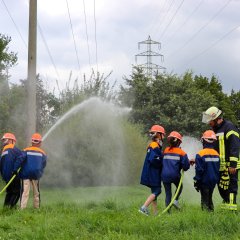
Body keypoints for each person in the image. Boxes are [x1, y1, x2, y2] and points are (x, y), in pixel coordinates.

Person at [202, 106, 240, 211]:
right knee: (222, 188)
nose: (209, 123)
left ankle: (232, 209)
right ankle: (226, 208)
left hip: (230, 166)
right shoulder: (215, 129)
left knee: (231, 188)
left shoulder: (230, 127)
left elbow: (234, 146)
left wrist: (232, 165)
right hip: (220, 166)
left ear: (216, 118)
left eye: (210, 121)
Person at [13, 133, 47, 209]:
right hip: (36, 175)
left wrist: (15, 169)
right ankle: (37, 208)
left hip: (25, 175)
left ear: (32, 142)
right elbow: (44, 164)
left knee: (25, 192)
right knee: (36, 193)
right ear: (40, 142)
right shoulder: (43, 153)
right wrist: (40, 172)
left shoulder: (26, 150)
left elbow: (19, 160)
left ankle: (22, 209)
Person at [139, 125, 165, 216]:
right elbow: (154, 159)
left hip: (151, 172)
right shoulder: (155, 146)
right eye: (163, 135)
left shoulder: (153, 145)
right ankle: (143, 208)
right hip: (153, 173)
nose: (164, 137)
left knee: (154, 192)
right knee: (158, 191)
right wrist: (163, 161)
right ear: (159, 135)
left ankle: (155, 213)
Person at [162, 131, 190, 211]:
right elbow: (186, 166)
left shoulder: (166, 150)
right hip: (175, 175)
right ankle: (175, 200)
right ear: (179, 142)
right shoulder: (182, 152)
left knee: (168, 193)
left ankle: (168, 211)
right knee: (180, 187)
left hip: (164, 175)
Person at [193, 130, 220, 211]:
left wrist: (196, 181)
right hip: (213, 180)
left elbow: (199, 170)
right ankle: (211, 213)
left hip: (204, 181)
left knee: (204, 199)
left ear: (204, 141)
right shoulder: (217, 154)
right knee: (209, 197)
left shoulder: (200, 154)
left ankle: (206, 216)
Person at [0, 133, 22, 208]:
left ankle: (5, 207)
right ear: (11, 141)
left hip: (6, 175)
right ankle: (11, 208)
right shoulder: (13, 148)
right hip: (13, 175)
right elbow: (22, 156)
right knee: (17, 192)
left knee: (9, 192)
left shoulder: (3, 151)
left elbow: (1, 164)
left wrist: (3, 175)